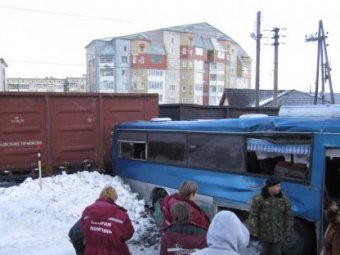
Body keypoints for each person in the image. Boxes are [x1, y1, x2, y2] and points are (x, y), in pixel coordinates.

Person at [246, 176, 294, 255]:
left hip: (279, 233)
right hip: (264, 234)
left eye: (279, 186)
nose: (279, 188)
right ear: (270, 187)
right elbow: (253, 215)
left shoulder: (283, 199)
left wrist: (289, 228)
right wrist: (254, 231)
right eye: (277, 186)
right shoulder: (259, 199)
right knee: (265, 252)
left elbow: (288, 214)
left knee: (276, 252)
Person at [80, 186, 134, 255]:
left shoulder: (87, 212)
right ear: (114, 197)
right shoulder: (121, 215)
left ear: (101, 195)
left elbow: (83, 230)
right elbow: (128, 234)